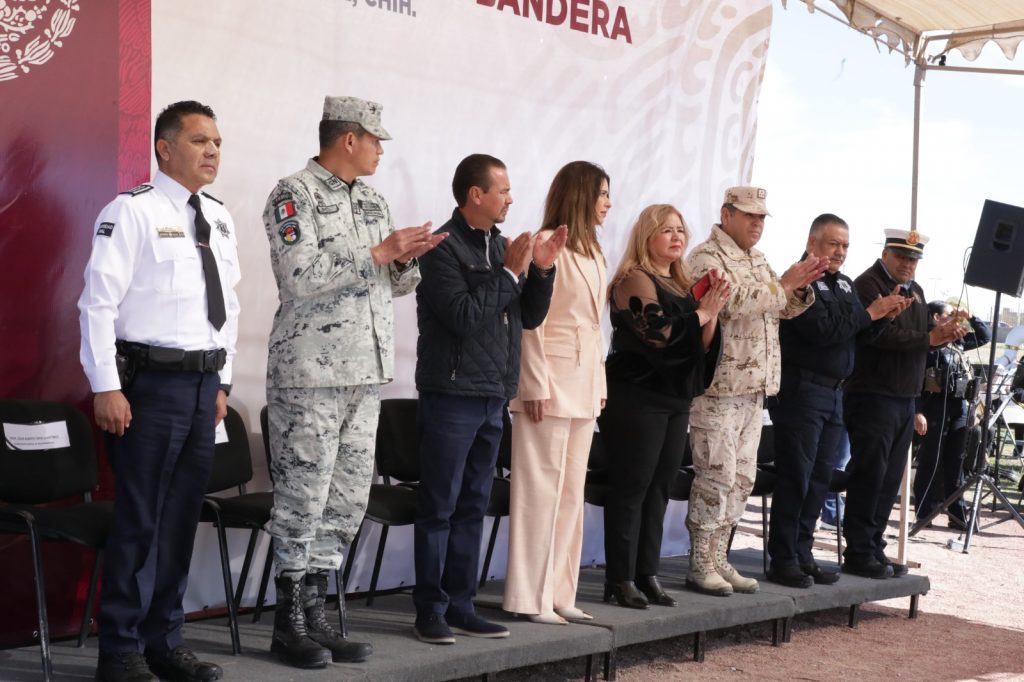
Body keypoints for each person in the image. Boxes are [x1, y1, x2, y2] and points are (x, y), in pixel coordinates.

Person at [262, 96, 444, 669]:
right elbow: (298, 276)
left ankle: (318, 613)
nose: (380, 150)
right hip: (310, 375)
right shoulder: (294, 193)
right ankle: (287, 622)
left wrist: (407, 258)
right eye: (374, 139)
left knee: (345, 499)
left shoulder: (372, 200)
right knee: (303, 497)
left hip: (365, 375)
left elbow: (395, 285)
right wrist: (379, 252)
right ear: (348, 139)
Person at [78, 100, 238, 682]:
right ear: (165, 148)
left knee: (180, 522)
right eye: (199, 141)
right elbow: (97, 304)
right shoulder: (132, 211)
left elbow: (229, 306)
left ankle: (164, 643)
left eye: (216, 142)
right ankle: (119, 651)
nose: (212, 151)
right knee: (140, 520)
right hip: (147, 389)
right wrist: (106, 386)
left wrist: (222, 381)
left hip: (202, 389)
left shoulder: (219, 218)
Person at [413, 154, 566, 644]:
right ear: (475, 195)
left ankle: (461, 604)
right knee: (439, 506)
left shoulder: (502, 247)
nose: (510, 199)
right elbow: (462, 316)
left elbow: (528, 317)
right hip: (450, 394)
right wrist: (510, 274)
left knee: (472, 505)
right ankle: (430, 610)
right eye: (502, 190)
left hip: (492, 394)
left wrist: (540, 270)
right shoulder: (441, 247)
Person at [684, 186, 826, 596]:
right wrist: (784, 285)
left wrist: (798, 289)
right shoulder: (706, 257)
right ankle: (699, 562)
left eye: (762, 217)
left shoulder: (758, 259)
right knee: (716, 476)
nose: (757, 224)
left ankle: (720, 558)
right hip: (719, 389)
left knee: (743, 478)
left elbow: (780, 307)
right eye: (749, 216)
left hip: (754, 390)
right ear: (727, 214)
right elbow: (729, 304)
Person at [766, 214, 908, 589]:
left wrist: (880, 318)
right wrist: (869, 313)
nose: (841, 252)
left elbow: (854, 336)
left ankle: (803, 554)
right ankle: (783, 559)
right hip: (802, 390)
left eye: (845, 245)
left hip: (834, 392)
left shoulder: (843, 283)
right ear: (812, 243)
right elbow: (824, 331)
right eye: (834, 243)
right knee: (796, 476)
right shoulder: (800, 280)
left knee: (820, 479)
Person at [598, 204, 726, 609]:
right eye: (666, 230)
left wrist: (711, 316)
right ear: (646, 236)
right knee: (632, 486)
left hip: (674, 397)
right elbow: (656, 333)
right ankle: (619, 578)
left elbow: (698, 346)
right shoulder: (633, 279)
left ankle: (646, 573)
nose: (676, 237)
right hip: (636, 395)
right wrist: (702, 313)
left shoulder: (683, 284)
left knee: (659, 488)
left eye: (680, 230)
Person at [502, 161, 610, 625]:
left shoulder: (594, 251)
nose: (608, 203)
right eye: (602, 194)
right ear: (581, 195)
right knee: (538, 493)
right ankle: (529, 597)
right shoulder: (546, 242)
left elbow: (594, 327)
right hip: (546, 383)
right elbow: (530, 324)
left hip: (583, 384)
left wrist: (599, 383)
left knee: (569, 493)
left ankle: (560, 592)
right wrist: (532, 384)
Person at [842, 229, 967, 579]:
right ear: (885, 254)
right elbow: (877, 336)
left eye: (913, 258)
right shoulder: (868, 284)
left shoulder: (917, 290)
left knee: (889, 480)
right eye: (901, 256)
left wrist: (945, 332)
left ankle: (874, 546)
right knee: (870, 475)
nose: (908, 264)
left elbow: (922, 339)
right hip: (873, 395)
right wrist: (929, 338)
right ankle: (858, 551)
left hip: (904, 397)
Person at [914, 301, 989, 530]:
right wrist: (917, 410)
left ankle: (957, 515)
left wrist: (971, 316)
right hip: (934, 406)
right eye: (950, 314)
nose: (956, 318)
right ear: (936, 317)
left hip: (959, 407)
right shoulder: (926, 341)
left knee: (957, 463)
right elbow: (914, 379)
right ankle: (924, 513)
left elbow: (984, 337)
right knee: (930, 461)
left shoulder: (957, 342)